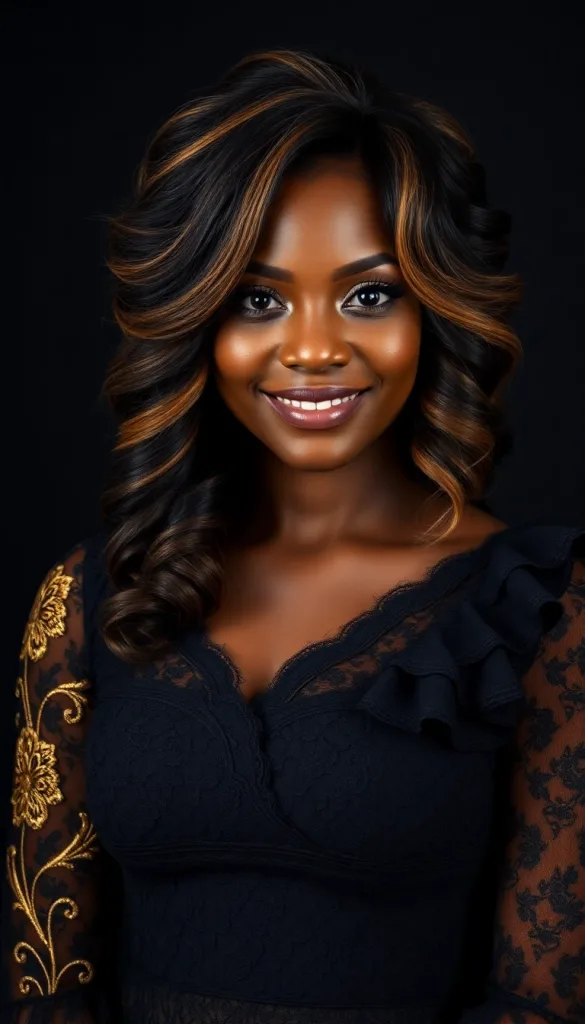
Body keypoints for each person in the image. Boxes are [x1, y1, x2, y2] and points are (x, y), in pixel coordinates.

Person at [1, 48, 583, 1024]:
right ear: (199, 315)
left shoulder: (540, 612)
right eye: (258, 299)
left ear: (435, 309)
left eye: (370, 293)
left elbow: (543, 1002)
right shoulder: (88, 596)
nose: (314, 347)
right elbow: (44, 977)